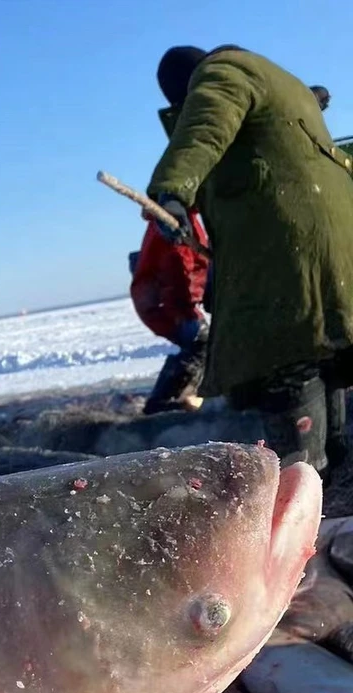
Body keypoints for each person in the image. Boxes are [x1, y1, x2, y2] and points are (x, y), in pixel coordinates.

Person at [146, 45, 353, 477]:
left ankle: (303, 476)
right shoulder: (269, 80)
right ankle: (332, 462)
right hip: (321, 238)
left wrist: (172, 189)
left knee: (285, 349)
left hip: (285, 244)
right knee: (320, 347)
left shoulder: (223, 70)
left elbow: (206, 124)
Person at [130, 207, 210, 414]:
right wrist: (185, 307)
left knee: (200, 345)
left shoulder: (181, 219)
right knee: (201, 344)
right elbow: (177, 265)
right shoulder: (171, 222)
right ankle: (161, 405)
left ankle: (176, 399)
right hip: (171, 305)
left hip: (171, 302)